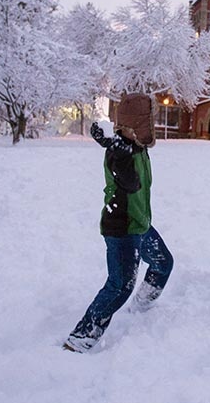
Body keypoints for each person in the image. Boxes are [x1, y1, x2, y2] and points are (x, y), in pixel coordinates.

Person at [64, 93, 173, 353]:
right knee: (119, 285)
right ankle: (79, 339)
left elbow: (123, 144)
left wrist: (115, 143)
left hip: (141, 223)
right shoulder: (119, 153)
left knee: (163, 263)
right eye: (149, 121)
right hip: (123, 227)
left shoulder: (133, 145)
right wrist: (118, 152)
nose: (153, 127)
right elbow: (131, 183)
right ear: (137, 123)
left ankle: (141, 308)